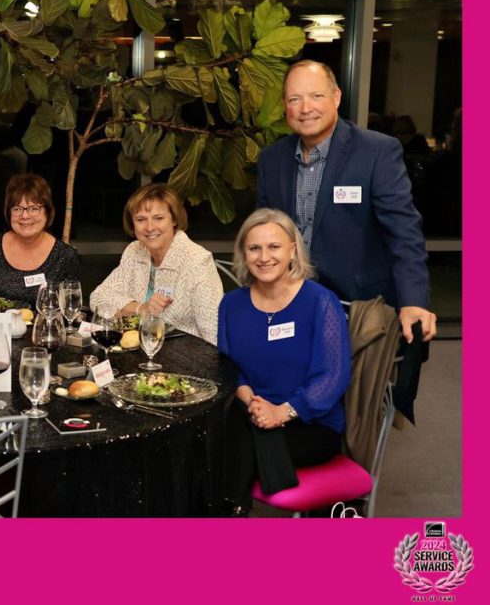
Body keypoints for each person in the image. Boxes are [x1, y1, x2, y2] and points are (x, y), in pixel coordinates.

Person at [256, 60, 436, 343]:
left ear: (336, 97)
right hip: (290, 303)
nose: (306, 108)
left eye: (316, 96)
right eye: (295, 99)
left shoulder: (376, 152)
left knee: (355, 388)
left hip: (357, 309)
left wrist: (413, 300)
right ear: (284, 105)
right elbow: (262, 233)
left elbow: (404, 232)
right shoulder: (272, 159)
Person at [218, 208, 350, 516]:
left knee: (227, 447)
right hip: (250, 412)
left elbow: (333, 376)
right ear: (244, 254)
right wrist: (247, 396)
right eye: (254, 248)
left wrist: (282, 412)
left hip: (309, 422)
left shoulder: (320, 301)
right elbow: (226, 366)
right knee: (223, 433)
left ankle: (226, 515)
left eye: (274, 246)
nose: (264, 257)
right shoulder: (231, 304)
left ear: (292, 249)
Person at [88, 183, 222, 345]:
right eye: (141, 219)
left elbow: (214, 334)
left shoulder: (197, 261)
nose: (150, 227)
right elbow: (98, 298)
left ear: (174, 220)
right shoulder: (135, 251)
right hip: (137, 355)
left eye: (158, 218)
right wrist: (141, 308)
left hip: (184, 359)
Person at [0, 173, 79, 308]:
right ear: (9, 212)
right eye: (17, 208)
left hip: (41, 328)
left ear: (47, 212)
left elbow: (70, 308)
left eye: (34, 209)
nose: (25, 216)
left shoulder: (65, 255)